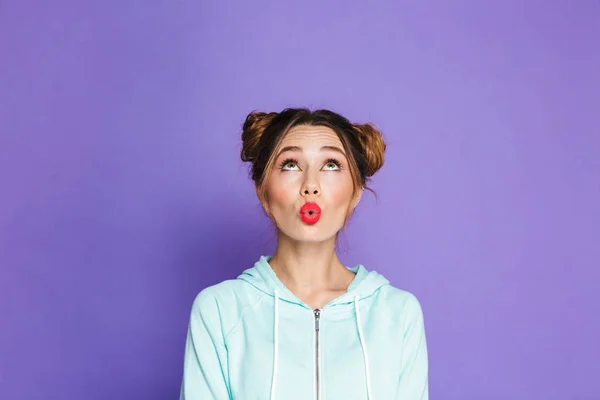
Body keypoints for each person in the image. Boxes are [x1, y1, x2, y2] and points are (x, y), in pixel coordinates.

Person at [179, 108, 429, 399]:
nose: (310, 185)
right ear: (262, 190)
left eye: (331, 164)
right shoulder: (219, 310)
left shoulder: (397, 313)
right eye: (290, 165)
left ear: (357, 190)